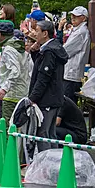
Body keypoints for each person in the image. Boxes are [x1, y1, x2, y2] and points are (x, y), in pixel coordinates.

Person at [27, 18, 68, 146]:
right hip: (54, 96)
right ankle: (54, 162)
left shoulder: (49, 52)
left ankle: (46, 163)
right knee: (51, 133)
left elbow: (43, 77)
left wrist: (33, 97)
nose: (34, 34)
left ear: (45, 33)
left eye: (37, 31)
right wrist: (35, 53)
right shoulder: (54, 48)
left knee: (43, 134)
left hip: (47, 98)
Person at [0, 20, 31, 124]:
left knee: (7, 126)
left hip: (11, 95)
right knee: (18, 127)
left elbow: (15, 71)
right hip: (22, 92)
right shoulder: (19, 46)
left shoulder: (8, 49)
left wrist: (4, 89)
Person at [63, 6, 91, 104]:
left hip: (73, 73)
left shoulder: (80, 32)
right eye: (72, 15)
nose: (73, 18)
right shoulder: (77, 30)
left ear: (84, 18)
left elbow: (66, 51)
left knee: (68, 103)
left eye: (76, 16)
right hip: (71, 72)